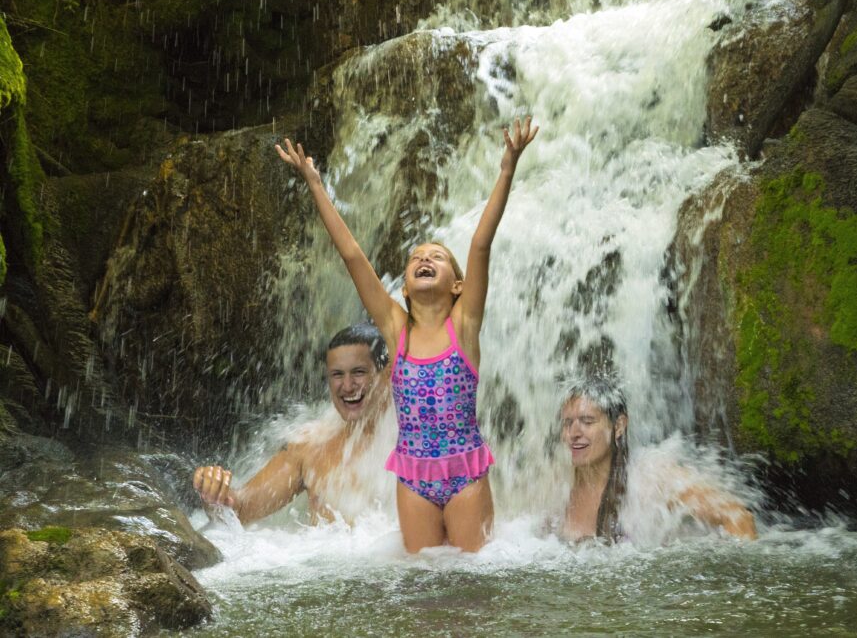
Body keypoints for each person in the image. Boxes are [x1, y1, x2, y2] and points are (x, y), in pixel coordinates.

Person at [275, 117, 539, 552]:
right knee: (423, 589)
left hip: (466, 473)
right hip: (413, 478)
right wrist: (314, 184)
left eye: (436, 256)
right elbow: (352, 256)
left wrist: (508, 166)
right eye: (416, 257)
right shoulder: (398, 333)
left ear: (458, 284)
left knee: (473, 584)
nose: (424, 258)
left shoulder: (465, 326)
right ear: (403, 287)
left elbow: (479, 245)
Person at [192, 323, 393, 526]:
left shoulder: (418, 441)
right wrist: (215, 494)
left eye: (358, 372)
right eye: (337, 374)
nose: (347, 386)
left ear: (387, 373)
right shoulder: (311, 446)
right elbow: (241, 510)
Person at [560, 376, 758, 542]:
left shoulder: (651, 476)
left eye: (587, 421)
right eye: (568, 423)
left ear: (619, 426)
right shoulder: (556, 486)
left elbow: (738, 517)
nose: (574, 433)